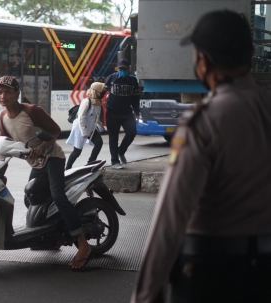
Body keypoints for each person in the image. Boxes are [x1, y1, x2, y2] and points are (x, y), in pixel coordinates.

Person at [132, 11, 271, 303]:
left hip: (214, 277)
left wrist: (147, 293)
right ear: (251, 54)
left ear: (203, 61)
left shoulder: (204, 122)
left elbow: (171, 217)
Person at [0, 76, 93, 270]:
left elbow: (55, 130)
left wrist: (42, 146)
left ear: (17, 94)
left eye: (6, 91)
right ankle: (50, 237)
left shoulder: (32, 111)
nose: (2, 96)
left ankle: (82, 243)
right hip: (36, 164)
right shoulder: (3, 116)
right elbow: (4, 143)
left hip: (52, 158)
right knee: (30, 199)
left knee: (58, 197)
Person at [101, 59, 140, 169]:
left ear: (128, 69)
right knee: (113, 137)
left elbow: (136, 98)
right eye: (120, 69)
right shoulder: (112, 78)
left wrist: (137, 113)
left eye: (124, 69)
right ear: (117, 69)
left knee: (132, 132)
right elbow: (103, 91)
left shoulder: (133, 81)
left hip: (126, 112)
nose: (122, 71)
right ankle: (114, 161)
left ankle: (120, 151)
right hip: (112, 112)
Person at [65, 81, 105, 170]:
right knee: (77, 151)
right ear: (96, 92)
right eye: (101, 92)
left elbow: (96, 117)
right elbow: (80, 117)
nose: (103, 94)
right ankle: (67, 168)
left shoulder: (97, 103)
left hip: (90, 129)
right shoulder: (87, 101)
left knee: (99, 143)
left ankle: (90, 163)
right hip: (80, 128)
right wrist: (83, 131)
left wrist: (100, 126)